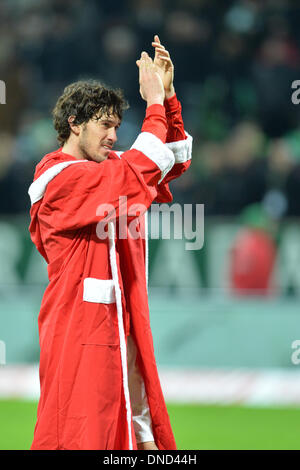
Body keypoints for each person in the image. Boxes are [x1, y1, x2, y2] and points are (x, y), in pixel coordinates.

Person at [28, 35, 192, 450]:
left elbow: (170, 160)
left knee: (135, 434)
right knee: (85, 432)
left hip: (122, 324)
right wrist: (153, 105)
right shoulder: (57, 179)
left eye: (118, 127)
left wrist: (169, 99)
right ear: (75, 123)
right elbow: (139, 169)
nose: (114, 136)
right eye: (105, 125)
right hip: (81, 329)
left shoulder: (107, 170)